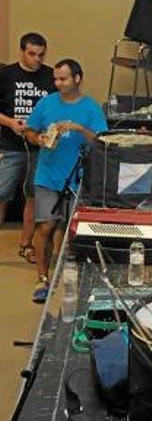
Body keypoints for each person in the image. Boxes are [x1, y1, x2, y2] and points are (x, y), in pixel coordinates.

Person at [24, 59, 107, 303]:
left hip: (78, 179)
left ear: (78, 79)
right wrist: (38, 138)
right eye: (56, 79)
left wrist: (79, 128)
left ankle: (77, 281)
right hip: (48, 175)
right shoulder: (46, 103)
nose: (58, 83)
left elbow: (101, 141)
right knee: (46, 226)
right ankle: (42, 279)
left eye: (63, 79)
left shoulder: (91, 108)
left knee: (75, 232)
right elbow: (29, 130)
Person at [0, 32, 55, 264]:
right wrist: (10, 122)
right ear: (22, 51)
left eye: (41, 55)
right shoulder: (5, 74)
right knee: (1, 195)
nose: (37, 60)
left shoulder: (51, 76)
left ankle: (26, 244)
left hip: (38, 148)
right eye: (32, 54)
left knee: (33, 197)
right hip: (9, 146)